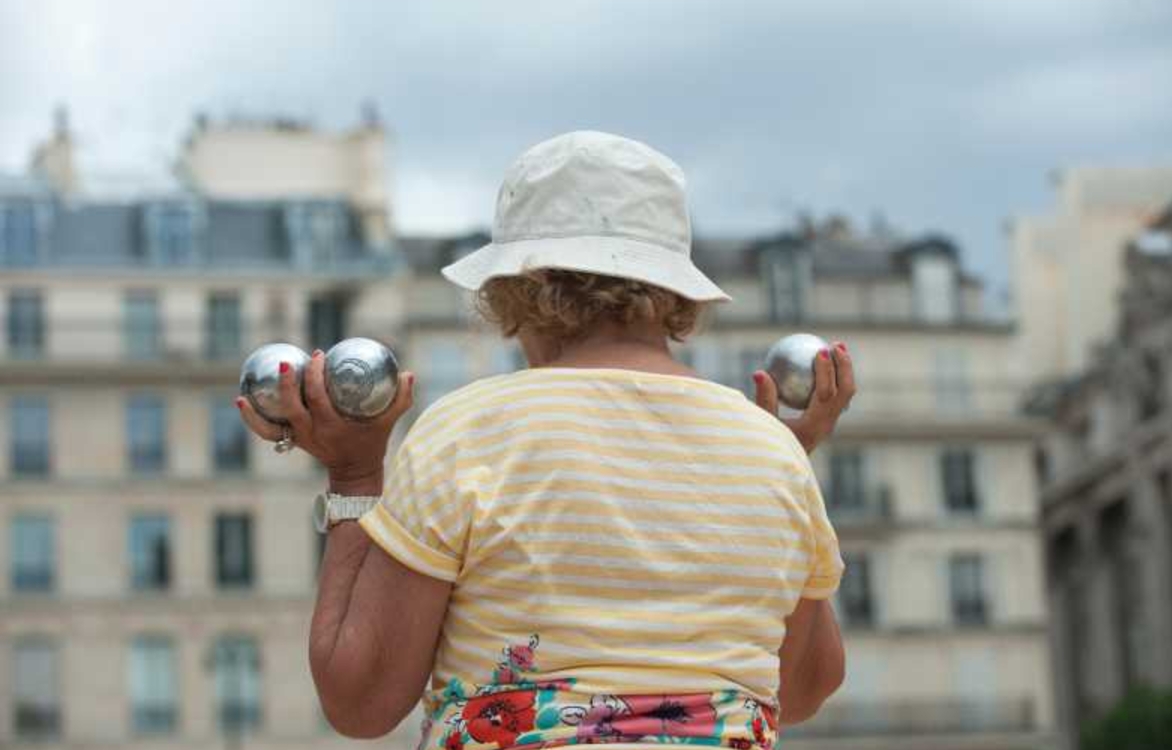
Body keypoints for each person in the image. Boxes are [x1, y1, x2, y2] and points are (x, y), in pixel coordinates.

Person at [236, 131, 856, 748]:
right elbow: (802, 690)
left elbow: (360, 700)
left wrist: (353, 477)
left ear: (518, 288)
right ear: (674, 290)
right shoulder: (772, 451)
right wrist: (766, 467)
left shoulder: (467, 432)